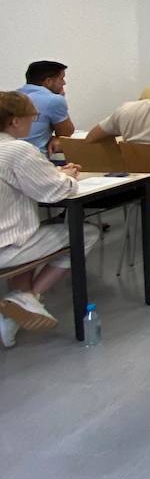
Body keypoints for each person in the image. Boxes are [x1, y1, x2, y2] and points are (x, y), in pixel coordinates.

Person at [0, 91, 99, 346]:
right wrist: (68, 176)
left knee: (34, 230)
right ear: (14, 121)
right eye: (31, 118)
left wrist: (52, 173)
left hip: (11, 238)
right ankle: (28, 298)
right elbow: (56, 191)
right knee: (85, 233)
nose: (33, 123)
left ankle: (15, 311)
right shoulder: (17, 149)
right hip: (7, 247)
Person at [16, 60, 75, 153]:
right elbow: (66, 133)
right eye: (61, 78)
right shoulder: (53, 100)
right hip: (35, 159)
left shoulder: (12, 97)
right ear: (48, 81)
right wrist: (61, 98)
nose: (64, 83)